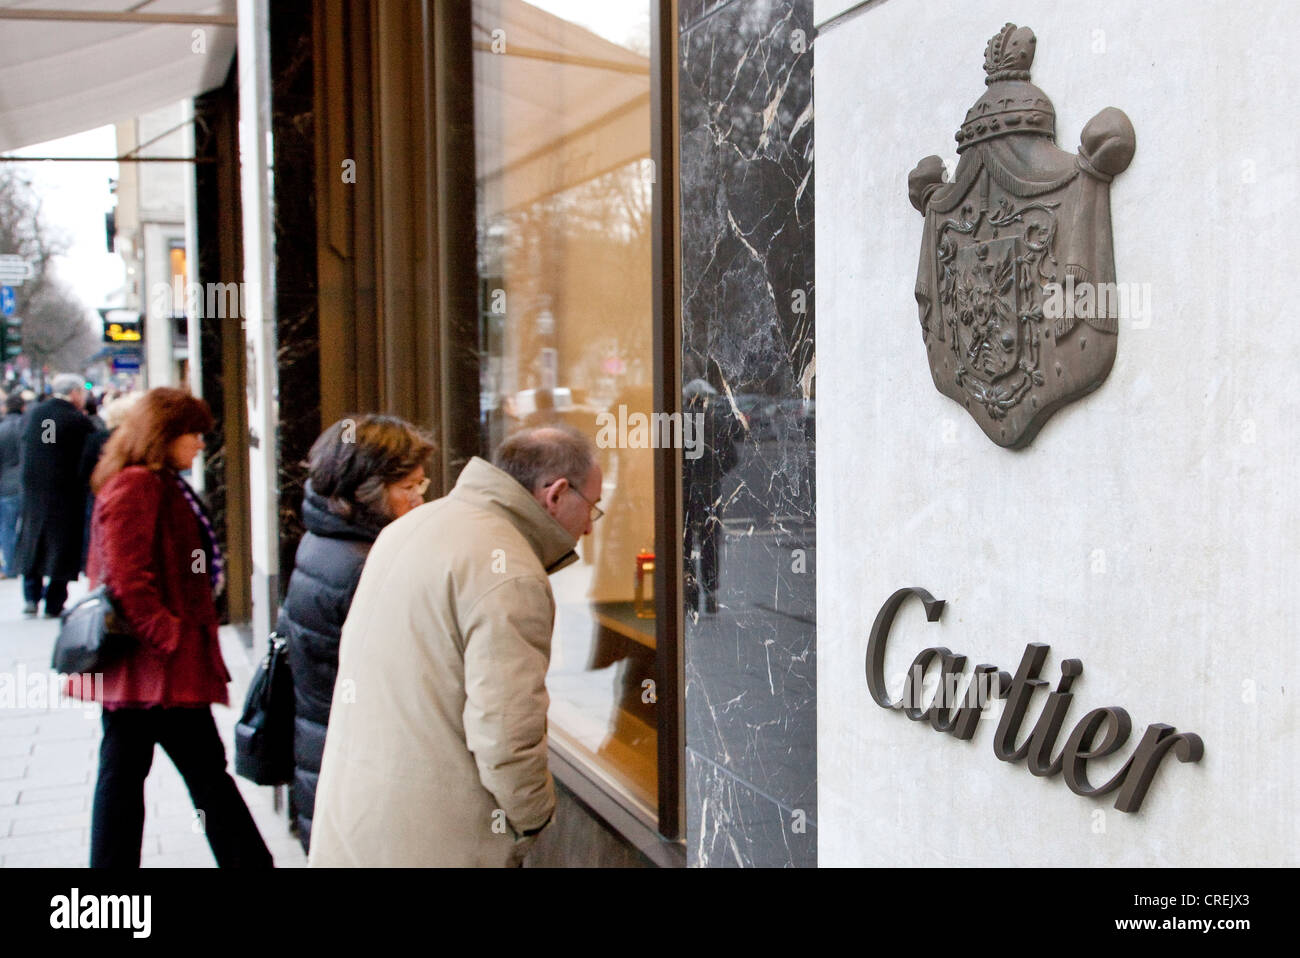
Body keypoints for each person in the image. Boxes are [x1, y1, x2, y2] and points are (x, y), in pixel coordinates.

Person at [309, 425, 602, 867]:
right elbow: (506, 735)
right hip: (435, 842)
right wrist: (533, 819)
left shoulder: (412, 527)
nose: (589, 529)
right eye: (592, 508)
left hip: (358, 821)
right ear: (556, 494)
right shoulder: (511, 571)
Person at [70, 386, 272, 868]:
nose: (201, 444)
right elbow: (125, 577)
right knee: (202, 776)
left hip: (151, 671)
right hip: (156, 669)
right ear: (165, 435)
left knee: (131, 774)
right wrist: (171, 637)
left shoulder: (156, 480)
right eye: (193, 434)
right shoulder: (137, 484)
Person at [278, 414, 434, 855]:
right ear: (367, 492)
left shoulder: (324, 537)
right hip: (364, 781)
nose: (420, 500)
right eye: (409, 488)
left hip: (327, 763)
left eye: (422, 486)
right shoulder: (368, 565)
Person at [15, 373, 94, 617]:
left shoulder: (34, 414)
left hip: (34, 492)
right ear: (74, 393)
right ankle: (54, 601)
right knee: (61, 547)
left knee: (34, 543)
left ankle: (31, 597)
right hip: (65, 495)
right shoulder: (75, 420)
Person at [0, 393, 24, 578]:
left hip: (6, 487)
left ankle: (10, 567)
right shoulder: (31, 427)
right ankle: (24, 564)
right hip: (26, 485)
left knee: (6, 528)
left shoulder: (2, 429)